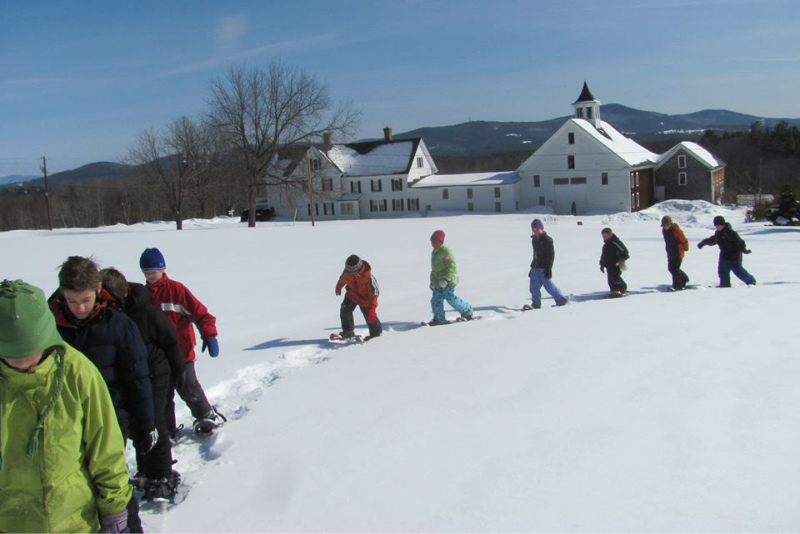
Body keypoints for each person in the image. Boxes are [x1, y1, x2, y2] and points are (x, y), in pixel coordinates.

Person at [0, 279, 137, 533]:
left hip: (76, 522)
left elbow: (105, 449)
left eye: (28, 352)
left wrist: (115, 510)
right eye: (10, 354)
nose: (20, 362)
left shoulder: (77, 372)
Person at [102, 267, 187, 502]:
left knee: (155, 421)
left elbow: (170, 340)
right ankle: (145, 469)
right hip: (131, 375)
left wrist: (179, 370)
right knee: (138, 421)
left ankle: (161, 475)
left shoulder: (146, 311)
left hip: (156, 371)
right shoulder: (108, 314)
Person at [140, 247, 225, 436]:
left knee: (188, 386)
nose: (150, 276)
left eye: (153, 271)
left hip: (182, 352)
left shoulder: (176, 290)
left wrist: (209, 335)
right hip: (157, 356)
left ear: (163, 269)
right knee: (162, 395)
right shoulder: (143, 295)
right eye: (146, 272)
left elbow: (201, 314)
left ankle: (205, 415)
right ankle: (166, 430)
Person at [428, 230, 473, 325]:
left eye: (435, 241)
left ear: (440, 241)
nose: (433, 244)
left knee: (450, 298)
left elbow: (451, 267)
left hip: (448, 281)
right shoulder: (434, 253)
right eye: (432, 241)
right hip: (438, 282)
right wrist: (432, 280)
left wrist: (446, 278)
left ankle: (467, 311)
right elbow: (434, 269)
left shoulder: (446, 251)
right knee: (436, 300)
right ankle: (439, 318)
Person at [697, 215, 757, 287]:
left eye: (719, 225)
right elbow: (713, 240)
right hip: (724, 255)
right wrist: (703, 243)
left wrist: (744, 250)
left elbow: (740, 242)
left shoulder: (730, 232)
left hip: (735, 255)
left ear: (723, 224)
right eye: (716, 225)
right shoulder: (718, 233)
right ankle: (725, 285)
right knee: (722, 271)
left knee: (738, 271)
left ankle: (751, 281)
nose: (717, 227)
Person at [335, 255, 382, 340]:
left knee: (370, 316)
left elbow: (375, 293)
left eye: (351, 271)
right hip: (352, 295)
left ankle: (376, 335)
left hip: (366, 299)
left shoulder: (369, 278)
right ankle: (348, 331)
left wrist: (372, 308)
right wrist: (339, 285)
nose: (349, 273)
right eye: (348, 270)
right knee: (345, 309)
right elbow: (343, 279)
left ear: (358, 269)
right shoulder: (347, 272)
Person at [527, 219, 568, 309]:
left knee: (548, 285)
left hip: (544, 268)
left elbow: (551, 255)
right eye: (534, 230)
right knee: (533, 287)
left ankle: (560, 299)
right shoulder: (534, 240)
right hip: (535, 267)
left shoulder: (547, 240)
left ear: (542, 228)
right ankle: (536, 304)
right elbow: (535, 254)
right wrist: (532, 268)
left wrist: (549, 268)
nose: (535, 232)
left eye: (537, 229)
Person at [661, 215, 690, 290]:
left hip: (678, 252)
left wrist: (686, 248)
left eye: (667, 225)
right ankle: (684, 278)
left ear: (670, 224)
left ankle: (677, 286)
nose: (665, 227)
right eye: (664, 225)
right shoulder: (664, 231)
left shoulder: (676, 230)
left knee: (674, 269)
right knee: (671, 268)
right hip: (670, 252)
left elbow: (684, 239)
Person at [599, 227, 629, 297]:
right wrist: (602, 264)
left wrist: (622, 259)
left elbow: (625, 251)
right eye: (603, 236)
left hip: (616, 264)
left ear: (610, 234)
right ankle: (614, 290)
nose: (604, 238)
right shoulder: (606, 244)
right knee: (610, 280)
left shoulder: (615, 242)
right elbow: (604, 256)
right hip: (608, 265)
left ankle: (622, 288)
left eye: (605, 236)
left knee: (615, 277)